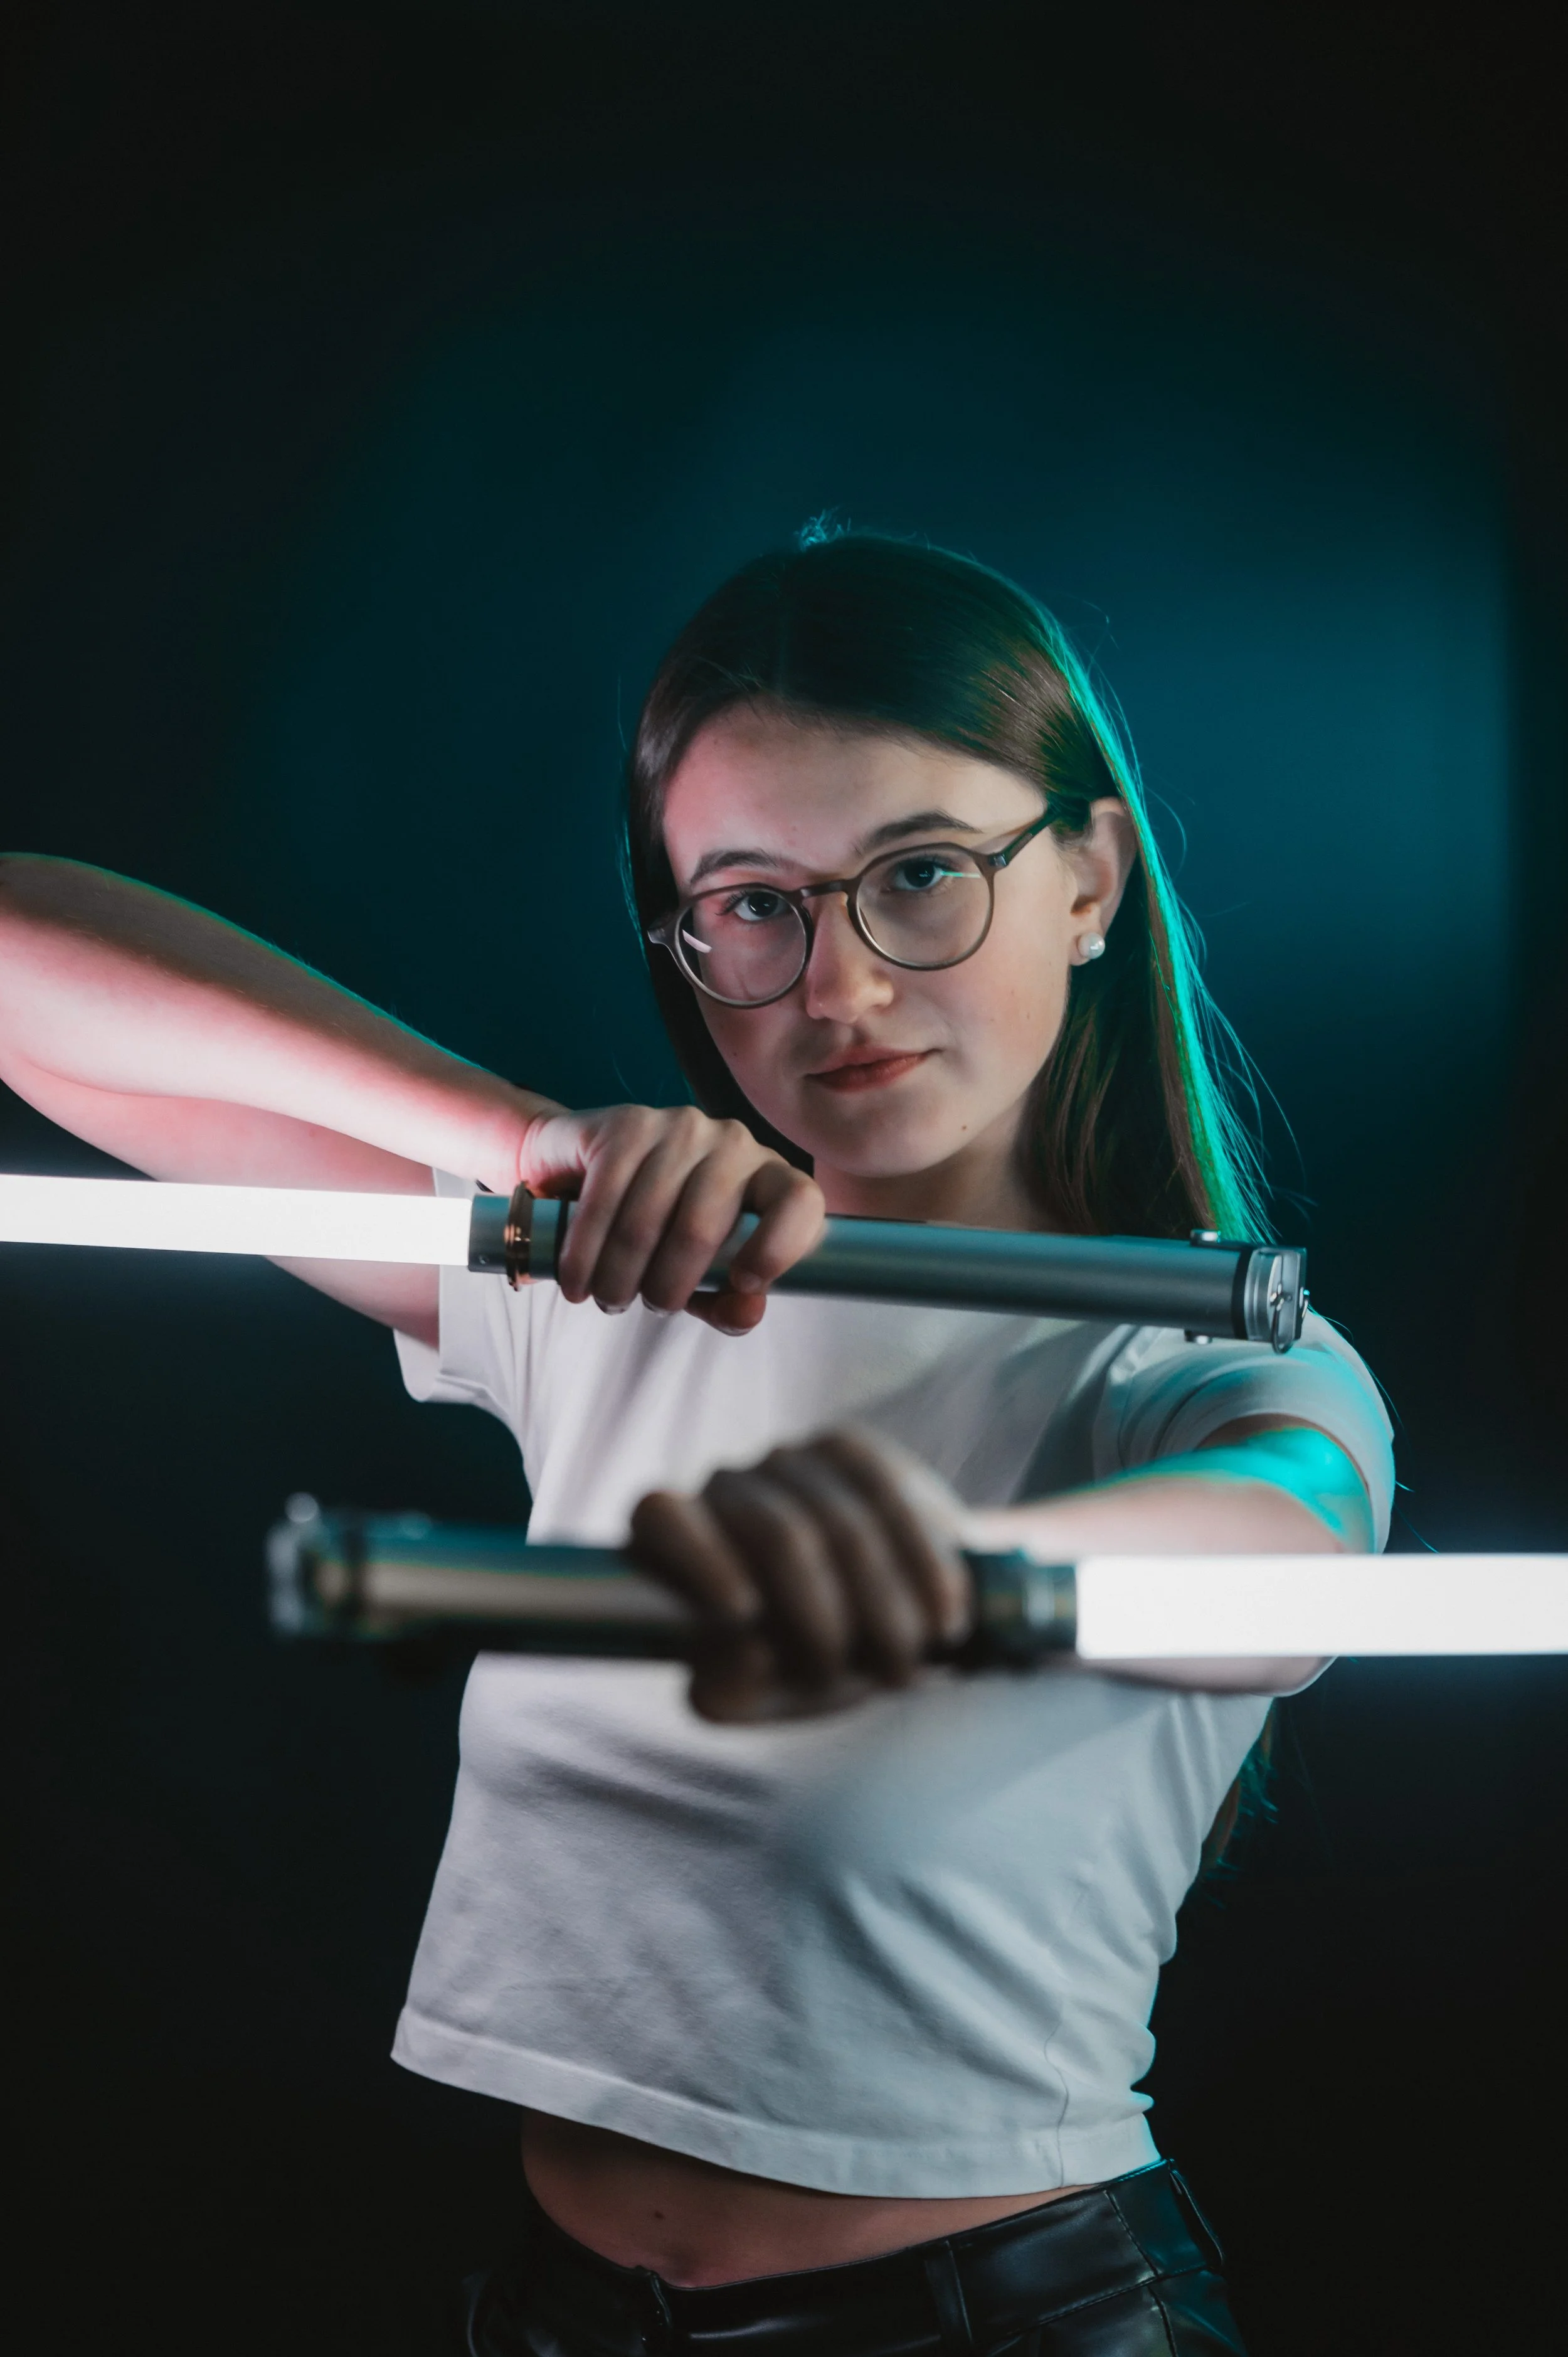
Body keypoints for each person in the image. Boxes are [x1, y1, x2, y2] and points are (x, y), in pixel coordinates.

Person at [0, 530, 1391, 2355]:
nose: (838, 989)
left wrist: (962, 1577)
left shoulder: (1200, 1355)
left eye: (917, 876)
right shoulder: (614, 1278)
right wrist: (515, 1144)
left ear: (1086, 878)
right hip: (566, 2316)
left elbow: (1276, 1562)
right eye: (752, 903)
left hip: (1007, 2322)